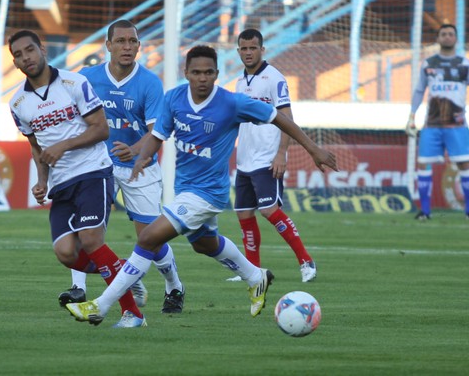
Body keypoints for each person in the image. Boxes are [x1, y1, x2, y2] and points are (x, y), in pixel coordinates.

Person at [65, 45, 337, 326]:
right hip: (185, 188)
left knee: (147, 238)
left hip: (210, 193)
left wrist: (313, 149)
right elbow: (158, 135)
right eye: (196, 72)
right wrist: (140, 155)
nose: (202, 78)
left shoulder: (232, 103)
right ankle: (256, 276)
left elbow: (278, 117)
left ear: (217, 74)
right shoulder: (174, 99)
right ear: (187, 73)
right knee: (204, 244)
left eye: (208, 72)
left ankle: (104, 306)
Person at [8, 29, 146, 328]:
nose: (25, 58)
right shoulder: (18, 103)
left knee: (92, 240)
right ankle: (124, 272)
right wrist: (42, 179)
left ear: (42, 49)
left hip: (92, 171)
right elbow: (36, 145)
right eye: (18, 55)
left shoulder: (74, 83)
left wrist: (63, 146)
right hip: (61, 183)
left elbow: (101, 130)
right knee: (66, 253)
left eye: (29, 50)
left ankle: (133, 314)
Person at [64, 19, 186, 314]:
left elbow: (157, 132)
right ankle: (79, 288)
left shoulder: (149, 83)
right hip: (97, 165)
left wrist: (133, 149)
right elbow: (72, 120)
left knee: (151, 239)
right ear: (108, 46)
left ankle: (174, 286)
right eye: (120, 41)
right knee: (84, 229)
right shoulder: (87, 78)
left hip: (138, 167)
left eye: (132, 41)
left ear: (139, 47)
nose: (127, 47)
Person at [230, 28, 317, 283]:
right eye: (243, 49)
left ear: (262, 50)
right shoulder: (239, 82)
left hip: (267, 156)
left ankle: (306, 260)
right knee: (244, 214)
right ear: (238, 51)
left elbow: (287, 118)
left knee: (269, 210)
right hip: (245, 158)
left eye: (253, 48)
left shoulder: (274, 78)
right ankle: (253, 271)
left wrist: (281, 153)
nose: (248, 53)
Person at [406, 24, 469, 221]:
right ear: (438, 38)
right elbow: (419, 91)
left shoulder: (465, 64)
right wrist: (412, 116)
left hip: (457, 125)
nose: (447, 37)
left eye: (450, 34)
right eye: (443, 34)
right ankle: (425, 211)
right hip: (432, 125)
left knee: (465, 165)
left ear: (456, 39)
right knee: (423, 165)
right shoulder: (428, 64)